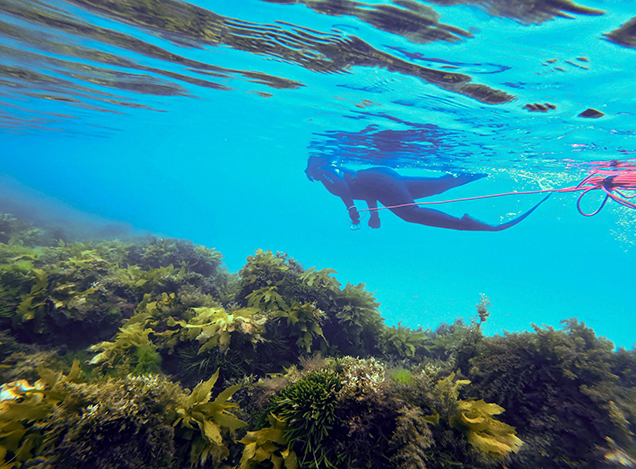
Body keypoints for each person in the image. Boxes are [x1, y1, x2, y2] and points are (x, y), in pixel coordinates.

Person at [305, 157, 550, 231]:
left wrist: (352, 211)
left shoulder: (324, 171)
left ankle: (467, 224)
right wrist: (375, 215)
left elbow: (345, 189)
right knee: (439, 185)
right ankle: (489, 169)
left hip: (379, 180)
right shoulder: (334, 169)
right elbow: (362, 187)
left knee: (410, 213)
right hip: (382, 177)